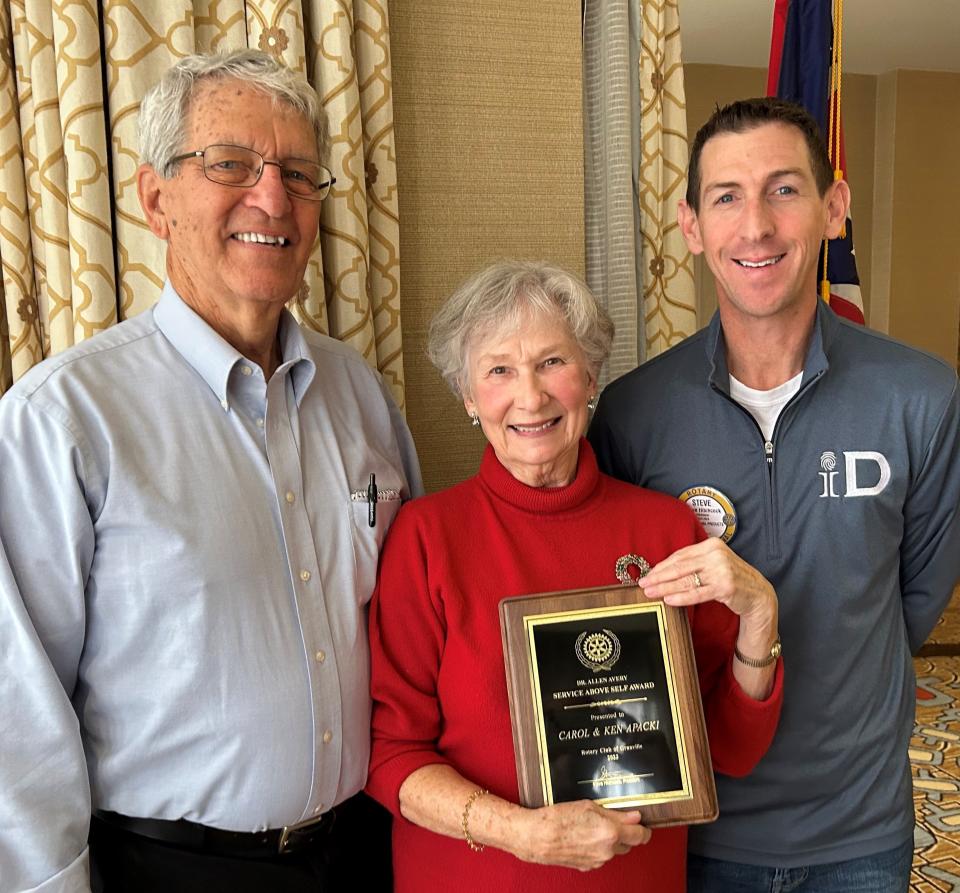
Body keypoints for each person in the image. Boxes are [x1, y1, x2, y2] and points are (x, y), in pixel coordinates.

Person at [0, 50, 421, 893]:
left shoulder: (364, 396)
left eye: (299, 174)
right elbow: (17, 712)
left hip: (368, 849)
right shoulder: (62, 418)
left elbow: (422, 624)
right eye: (231, 164)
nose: (272, 198)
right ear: (157, 199)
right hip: (170, 868)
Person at [589, 97, 960, 892]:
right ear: (690, 225)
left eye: (784, 190)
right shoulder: (632, 412)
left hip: (860, 832)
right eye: (726, 196)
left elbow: (913, 600)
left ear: (834, 208)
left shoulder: (922, 397)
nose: (755, 225)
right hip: (700, 828)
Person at [365, 260, 783, 892]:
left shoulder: (664, 530)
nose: (529, 396)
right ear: (468, 396)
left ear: (590, 378)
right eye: (499, 369)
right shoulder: (426, 538)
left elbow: (730, 747)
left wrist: (759, 617)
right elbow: (390, 754)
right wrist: (522, 833)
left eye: (552, 363)